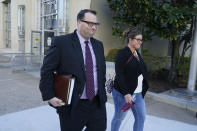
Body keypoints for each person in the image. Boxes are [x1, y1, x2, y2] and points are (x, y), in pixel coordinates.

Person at [39, 9, 107, 131]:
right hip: (73, 106)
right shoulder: (62, 43)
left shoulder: (99, 45)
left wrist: (103, 95)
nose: (94, 27)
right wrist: (49, 95)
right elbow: (46, 70)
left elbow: (101, 72)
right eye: (90, 24)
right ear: (79, 22)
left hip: (97, 104)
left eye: (96, 24)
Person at [111, 27, 150, 131]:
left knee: (141, 117)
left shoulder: (137, 54)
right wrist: (126, 93)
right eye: (138, 39)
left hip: (137, 94)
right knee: (119, 117)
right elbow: (119, 74)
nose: (140, 42)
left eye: (141, 40)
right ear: (130, 39)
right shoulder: (122, 53)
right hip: (123, 94)